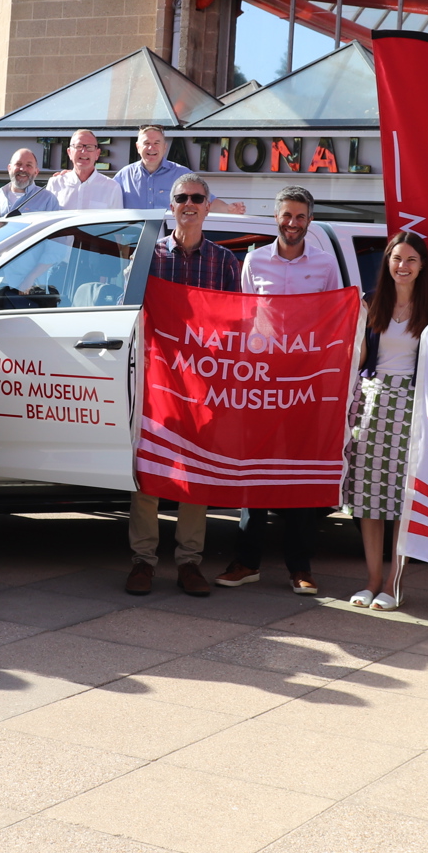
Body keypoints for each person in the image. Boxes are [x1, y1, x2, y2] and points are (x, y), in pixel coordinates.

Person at [219, 186, 343, 596]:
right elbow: (244, 318)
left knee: (299, 474)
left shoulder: (325, 264)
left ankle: (299, 567)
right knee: (254, 471)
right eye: (287, 215)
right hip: (263, 384)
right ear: (276, 217)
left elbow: (333, 320)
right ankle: (247, 561)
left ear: (310, 220)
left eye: (301, 217)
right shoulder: (254, 260)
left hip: (305, 386)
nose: (293, 224)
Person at [126, 173, 240, 597]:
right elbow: (133, 316)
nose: (189, 203)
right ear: (170, 205)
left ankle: (189, 563)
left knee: (196, 472)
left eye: (197, 197)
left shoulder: (226, 263)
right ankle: (143, 561)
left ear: (209, 206)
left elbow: (237, 328)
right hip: (156, 382)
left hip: (205, 388)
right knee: (150, 470)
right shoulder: (149, 258)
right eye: (181, 197)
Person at [343, 232, 428, 610]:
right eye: (396, 258)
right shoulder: (370, 304)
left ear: (422, 267)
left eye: (410, 260)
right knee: (368, 500)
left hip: (413, 407)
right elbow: (358, 361)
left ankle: (393, 584)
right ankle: (371, 580)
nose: (402, 266)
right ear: (386, 262)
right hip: (371, 406)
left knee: (402, 502)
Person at [113, 125, 245, 214]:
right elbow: (107, 204)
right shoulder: (124, 176)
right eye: (146, 143)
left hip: (170, 246)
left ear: (164, 147)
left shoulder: (182, 175)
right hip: (131, 246)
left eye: (156, 143)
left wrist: (228, 208)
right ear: (138, 147)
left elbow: (206, 201)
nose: (151, 148)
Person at [46, 128, 124, 210]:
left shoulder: (112, 187)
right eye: (78, 146)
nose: (84, 151)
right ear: (69, 153)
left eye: (89, 147)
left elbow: (115, 221)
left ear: (97, 154)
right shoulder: (55, 183)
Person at [0, 148, 62, 216]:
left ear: (36, 172)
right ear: (9, 168)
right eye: (18, 164)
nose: (23, 169)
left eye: (29, 165)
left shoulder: (48, 199)